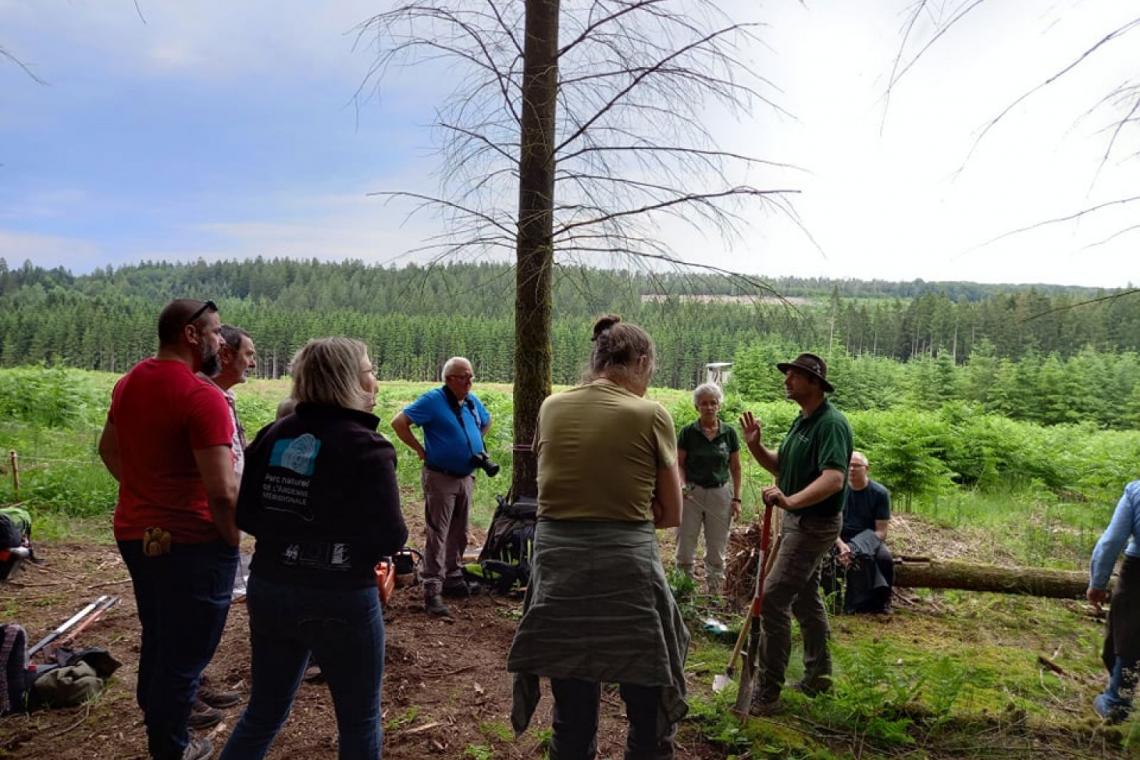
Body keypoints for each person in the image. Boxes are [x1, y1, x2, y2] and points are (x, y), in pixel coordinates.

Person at [507, 315, 688, 760]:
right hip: (626, 564)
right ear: (641, 362)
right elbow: (671, 515)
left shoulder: (551, 406)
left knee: (572, 695)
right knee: (646, 690)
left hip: (558, 563)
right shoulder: (651, 414)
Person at [219, 337, 408, 759]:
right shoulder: (368, 447)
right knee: (359, 721)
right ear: (350, 381)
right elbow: (390, 537)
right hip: (341, 596)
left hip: (270, 586)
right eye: (370, 370)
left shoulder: (274, 435)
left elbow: (245, 513)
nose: (374, 380)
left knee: (264, 710)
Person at [98, 298, 240, 760]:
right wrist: (233, 538)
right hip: (194, 542)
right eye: (217, 332)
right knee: (184, 657)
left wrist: (146, 494)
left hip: (136, 535)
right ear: (192, 335)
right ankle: (171, 749)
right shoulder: (204, 397)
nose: (222, 340)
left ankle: (161, 728)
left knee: (159, 636)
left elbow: (108, 450)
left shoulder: (128, 383)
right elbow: (221, 492)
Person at [739, 352, 853, 715]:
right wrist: (755, 446)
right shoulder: (801, 422)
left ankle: (767, 691)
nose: (786, 380)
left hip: (814, 524)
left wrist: (790, 502)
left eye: (794, 375)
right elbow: (781, 466)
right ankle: (819, 678)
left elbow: (834, 479)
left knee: (772, 599)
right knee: (804, 598)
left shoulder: (831, 424)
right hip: (797, 519)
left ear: (815, 382)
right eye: (787, 374)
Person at [190, 324, 257, 726]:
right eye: (248, 353)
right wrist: (231, 531)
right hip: (206, 525)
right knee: (196, 611)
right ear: (226, 354)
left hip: (221, 521)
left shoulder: (221, 397)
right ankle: (182, 697)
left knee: (207, 614)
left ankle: (194, 681)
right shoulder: (202, 397)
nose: (252, 360)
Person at [390, 356, 492, 617]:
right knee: (438, 532)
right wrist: (420, 451)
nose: (469, 381)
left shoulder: (471, 401)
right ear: (448, 379)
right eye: (464, 377)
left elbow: (486, 420)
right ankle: (432, 589)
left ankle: (453, 577)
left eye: (471, 376)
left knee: (460, 531)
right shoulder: (432, 400)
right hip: (440, 476)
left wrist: (474, 443)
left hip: (466, 475)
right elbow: (399, 423)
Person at [675, 382, 742, 597]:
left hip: (720, 493)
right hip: (692, 494)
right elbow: (678, 464)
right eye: (704, 403)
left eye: (713, 403)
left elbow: (735, 467)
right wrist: (684, 486)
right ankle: (684, 591)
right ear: (697, 407)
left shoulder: (729, 433)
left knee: (717, 547)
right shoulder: (688, 432)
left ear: (719, 405)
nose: (709, 407)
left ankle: (714, 593)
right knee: (685, 545)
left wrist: (737, 499)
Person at [1086, 480, 1140, 724]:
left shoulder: (1136, 491)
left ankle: (1117, 703)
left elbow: (1110, 542)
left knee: (1128, 632)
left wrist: (1097, 583)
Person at [833, 451, 893, 614]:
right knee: (825, 559)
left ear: (866, 468)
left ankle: (883, 601)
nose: (852, 469)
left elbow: (881, 531)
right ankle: (837, 600)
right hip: (839, 536)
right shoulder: (838, 490)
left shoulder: (880, 493)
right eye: (849, 465)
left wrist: (856, 548)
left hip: (870, 538)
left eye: (857, 466)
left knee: (884, 558)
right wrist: (841, 544)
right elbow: (830, 523)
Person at [200, 325, 257, 477]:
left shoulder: (224, 396)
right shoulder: (205, 400)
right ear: (225, 355)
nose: (253, 364)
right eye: (248, 355)